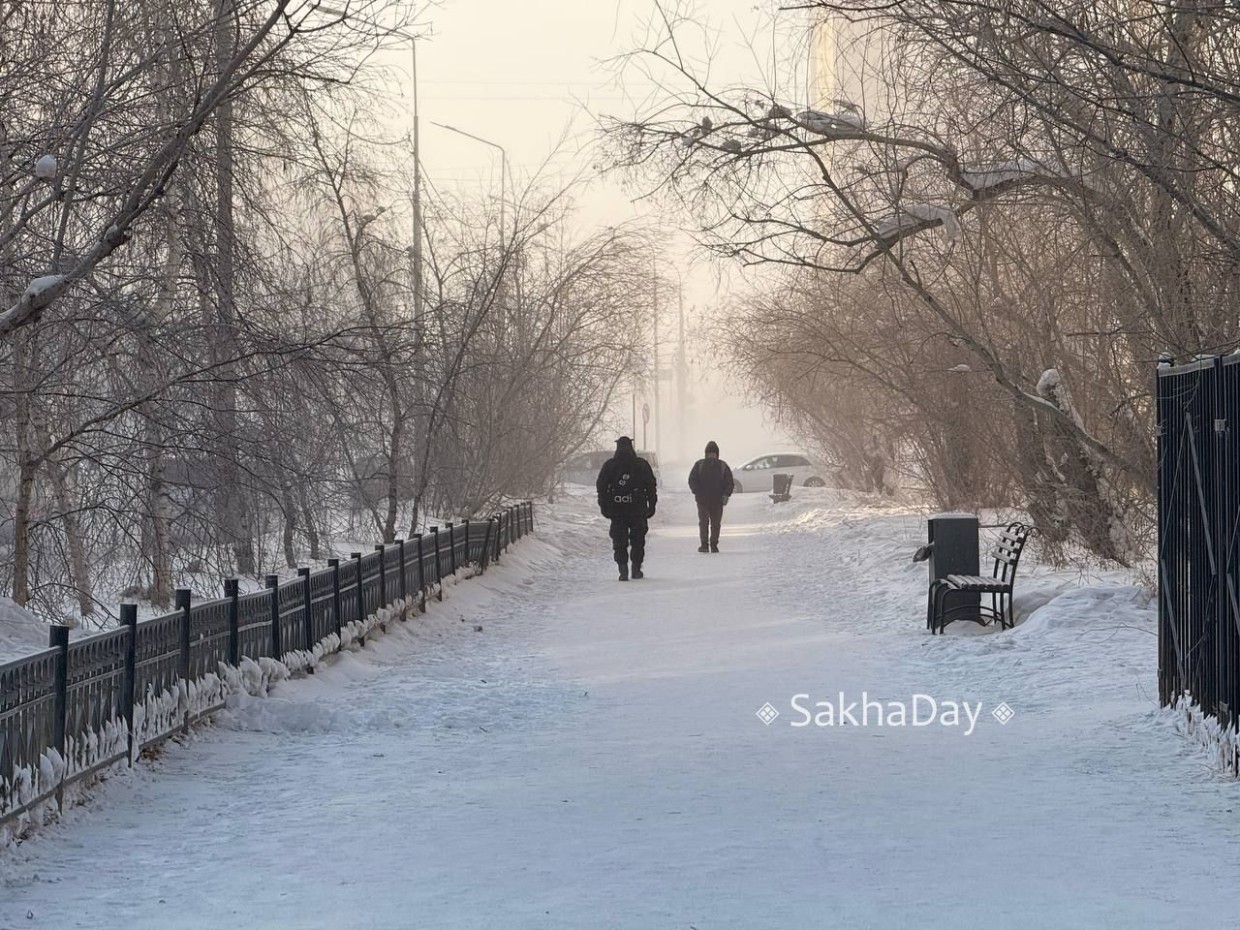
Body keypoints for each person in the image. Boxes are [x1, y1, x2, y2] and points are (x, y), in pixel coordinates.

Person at [596, 436, 658, 581]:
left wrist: (604, 506)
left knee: (619, 540)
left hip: (617, 509)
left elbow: (601, 487)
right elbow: (650, 486)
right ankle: (636, 568)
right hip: (637, 507)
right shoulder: (641, 464)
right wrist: (652, 504)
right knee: (638, 539)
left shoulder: (610, 465)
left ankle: (622, 570)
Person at [688, 440, 733, 553]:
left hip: (717, 500)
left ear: (717, 454)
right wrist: (697, 492)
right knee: (703, 522)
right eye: (710, 453)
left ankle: (713, 544)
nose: (712, 455)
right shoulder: (699, 465)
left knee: (715, 523)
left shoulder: (722, 466)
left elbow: (729, 482)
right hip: (702, 500)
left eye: (714, 453)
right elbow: (692, 480)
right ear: (706, 454)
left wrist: (726, 494)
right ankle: (704, 544)